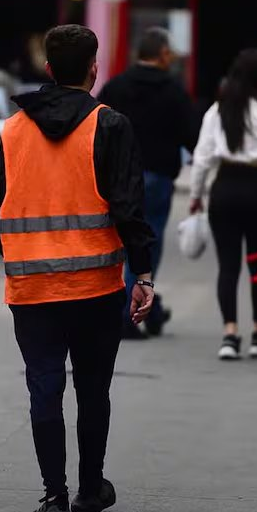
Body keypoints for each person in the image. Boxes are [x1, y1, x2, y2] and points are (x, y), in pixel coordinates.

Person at [0, 25, 155, 512]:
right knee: (92, 388)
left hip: (31, 286)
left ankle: (54, 497)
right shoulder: (110, 125)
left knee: (44, 386)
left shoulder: (13, 129)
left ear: (47, 70)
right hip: (96, 286)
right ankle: (90, 488)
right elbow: (128, 205)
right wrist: (143, 272)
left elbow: (2, 206)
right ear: (93, 68)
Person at [190, 49, 257, 361]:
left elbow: (202, 158)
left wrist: (196, 195)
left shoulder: (218, 110)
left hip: (224, 189)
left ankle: (230, 334)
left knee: (228, 264)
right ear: (256, 76)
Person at [97, 27, 195, 338]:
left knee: (118, 241)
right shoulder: (174, 91)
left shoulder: (116, 87)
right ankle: (135, 306)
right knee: (148, 242)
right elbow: (192, 134)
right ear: (163, 54)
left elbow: (96, 127)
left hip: (118, 177)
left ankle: (121, 303)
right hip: (157, 176)